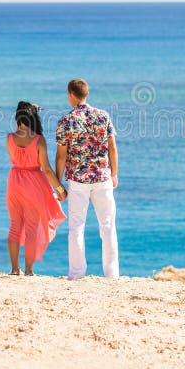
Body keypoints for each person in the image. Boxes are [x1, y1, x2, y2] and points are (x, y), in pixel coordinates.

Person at [55, 79, 119, 280]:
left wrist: (58, 184)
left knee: (76, 227)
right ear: (87, 94)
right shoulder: (103, 116)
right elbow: (112, 148)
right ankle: (112, 274)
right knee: (107, 225)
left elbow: (61, 156)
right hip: (102, 177)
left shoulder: (66, 122)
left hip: (78, 181)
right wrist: (114, 174)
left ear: (70, 95)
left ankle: (76, 274)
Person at [5, 101, 67, 276]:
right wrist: (60, 189)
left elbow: (16, 159)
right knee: (32, 228)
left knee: (15, 226)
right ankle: (29, 271)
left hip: (14, 182)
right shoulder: (39, 140)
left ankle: (14, 269)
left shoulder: (9, 138)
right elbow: (46, 169)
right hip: (33, 183)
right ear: (34, 118)